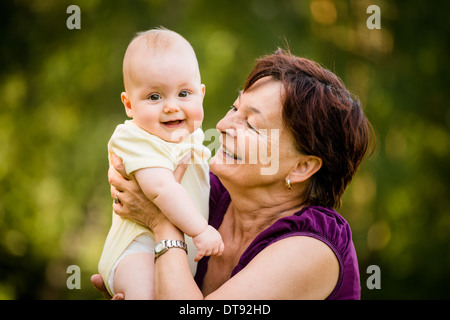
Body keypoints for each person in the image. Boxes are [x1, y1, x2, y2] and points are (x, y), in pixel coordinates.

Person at [92, 48, 374, 300]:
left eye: (251, 125)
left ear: (302, 167)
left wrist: (163, 223)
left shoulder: (312, 248)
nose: (225, 125)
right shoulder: (207, 193)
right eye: (234, 107)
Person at [97, 28, 224, 300]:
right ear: (129, 105)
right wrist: (200, 230)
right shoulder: (135, 138)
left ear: (201, 94)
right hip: (136, 252)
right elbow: (160, 189)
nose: (170, 106)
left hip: (173, 254)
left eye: (184, 93)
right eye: (154, 97)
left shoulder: (192, 138)